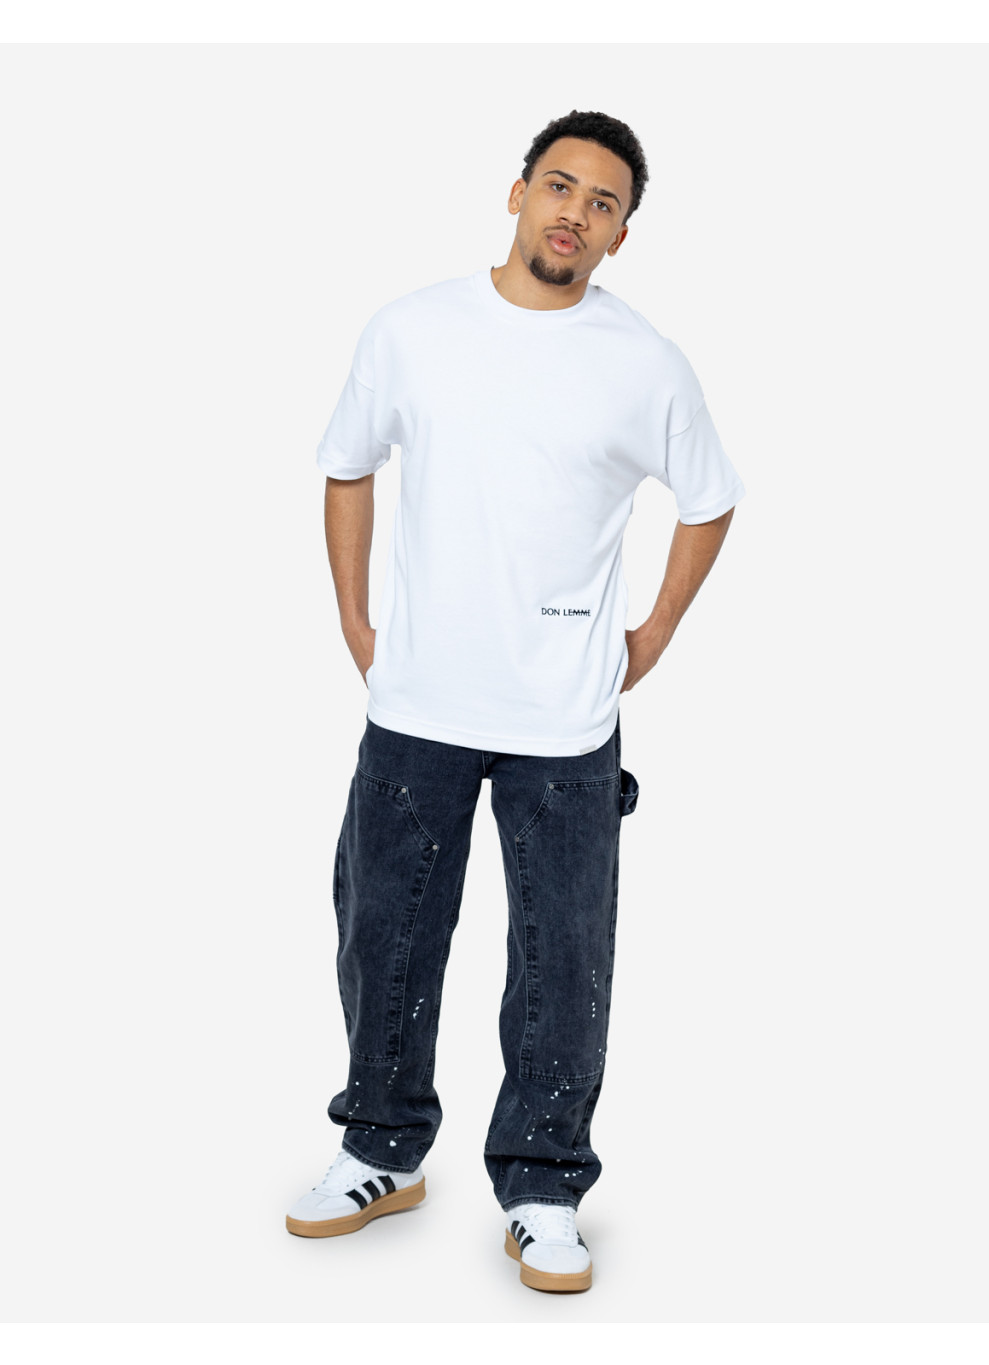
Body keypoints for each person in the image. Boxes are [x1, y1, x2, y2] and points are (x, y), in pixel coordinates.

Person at [285, 109, 745, 1293]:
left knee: (563, 959)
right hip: (419, 704)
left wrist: (653, 634)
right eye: (559, 185)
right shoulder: (412, 329)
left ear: (621, 234)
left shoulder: (643, 362)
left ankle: (542, 1184)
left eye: (602, 203)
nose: (573, 213)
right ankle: (379, 1149)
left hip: (565, 720)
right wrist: (354, 623)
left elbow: (708, 500)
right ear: (517, 192)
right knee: (385, 936)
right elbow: (346, 466)